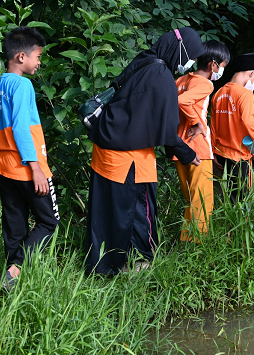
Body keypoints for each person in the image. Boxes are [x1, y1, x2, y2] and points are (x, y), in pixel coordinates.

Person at [85, 27, 204, 275]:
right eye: (190, 56)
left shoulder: (144, 61)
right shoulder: (161, 78)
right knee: (139, 210)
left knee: (104, 211)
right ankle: (135, 264)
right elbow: (166, 133)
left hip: (106, 145)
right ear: (179, 50)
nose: (190, 64)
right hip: (130, 158)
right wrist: (188, 154)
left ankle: (100, 264)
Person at [0, 27, 60, 289]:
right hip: (25, 166)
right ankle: (17, 269)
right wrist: (35, 167)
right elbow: (21, 128)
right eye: (38, 56)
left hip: (3, 165)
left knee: (14, 222)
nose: (39, 62)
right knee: (49, 222)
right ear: (21, 56)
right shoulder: (22, 85)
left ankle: (10, 276)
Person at [175, 40, 230, 241]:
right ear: (212, 64)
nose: (221, 71)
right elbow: (183, 102)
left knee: (191, 201)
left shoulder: (180, 81)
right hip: (198, 148)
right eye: (222, 66)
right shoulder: (206, 83)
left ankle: (186, 242)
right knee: (202, 202)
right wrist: (197, 123)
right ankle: (194, 248)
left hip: (179, 148)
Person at [210, 53, 254, 202]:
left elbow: (213, 125)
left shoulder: (219, 93)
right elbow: (248, 122)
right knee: (245, 202)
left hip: (222, 155)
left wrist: (213, 150)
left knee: (230, 199)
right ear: (253, 73)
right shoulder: (245, 94)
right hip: (240, 157)